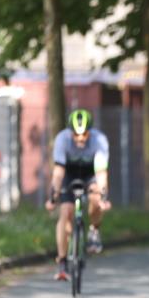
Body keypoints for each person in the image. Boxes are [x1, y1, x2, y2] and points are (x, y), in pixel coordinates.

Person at [45, 109, 111, 280]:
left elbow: (102, 172)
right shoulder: (62, 139)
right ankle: (62, 262)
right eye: (76, 135)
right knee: (66, 212)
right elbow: (58, 172)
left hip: (90, 173)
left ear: (90, 131)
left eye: (84, 134)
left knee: (95, 199)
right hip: (69, 173)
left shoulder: (99, 140)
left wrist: (103, 196)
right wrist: (53, 196)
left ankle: (94, 230)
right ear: (70, 132)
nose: (80, 139)